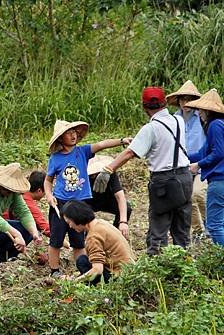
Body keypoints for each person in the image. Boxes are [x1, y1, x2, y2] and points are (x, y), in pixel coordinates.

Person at [93, 87, 193, 255]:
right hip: (185, 178)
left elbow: (130, 152)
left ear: (144, 107)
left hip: (164, 182)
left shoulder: (150, 128)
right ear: (165, 103)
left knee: (158, 231)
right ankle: (184, 269)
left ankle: (156, 271)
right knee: (181, 231)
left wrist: (108, 169)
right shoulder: (179, 121)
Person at [44, 120, 132, 277]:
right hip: (60, 202)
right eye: (68, 133)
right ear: (60, 139)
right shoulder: (55, 159)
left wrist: (121, 141)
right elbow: (48, 180)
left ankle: (83, 270)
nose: (72, 136)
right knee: (56, 239)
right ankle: (54, 271)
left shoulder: (82, 152)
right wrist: (49, 196)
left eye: (74, 133)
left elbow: (101, 144)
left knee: (78, 240)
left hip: (79, 203)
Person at [166, 81, 207, 237]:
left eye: (190, 99)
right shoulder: (174, 119)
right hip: (182, 165)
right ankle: (198, 231)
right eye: (183, 100)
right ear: (179, 102)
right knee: (187, 199)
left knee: (199, 193)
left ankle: (210, 225)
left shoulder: (202, 118)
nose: (186, 103)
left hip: (202, 164)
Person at [61, 201, 134, 285]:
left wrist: (74, 282)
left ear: (76, 218)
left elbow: (98, 270)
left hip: (119, 277)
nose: (70, 226)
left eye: (69, 222)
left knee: (82, 261)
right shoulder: (100, 223)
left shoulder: (93, 236)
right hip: (129, 270)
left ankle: (92, 286)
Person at [187, 89, 224, 246]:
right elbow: (202, 153)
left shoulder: (215, 125)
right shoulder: (220, 125)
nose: (199, 113)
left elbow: (219, 153)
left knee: (214, 226)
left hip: (219, 181)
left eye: (201, 109)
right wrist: (180, 156)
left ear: (208, 111)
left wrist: (198, 165)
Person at [87, 155, 133, 238]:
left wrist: (123, 222)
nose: (93, 175)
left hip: (107, 200)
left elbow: (120, 196)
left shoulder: (110, 174)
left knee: (127, 208)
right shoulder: (82, 176)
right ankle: (87, 238)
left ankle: (116, 235)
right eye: (91, 174)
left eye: (96, 173)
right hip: (88, 201)